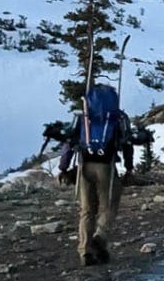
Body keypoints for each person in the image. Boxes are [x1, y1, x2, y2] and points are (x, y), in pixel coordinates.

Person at [57, 86, 133, 268]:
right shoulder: (119, 117)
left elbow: (69, 142)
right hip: (107, 167)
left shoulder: (82, 116)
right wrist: (129, 167)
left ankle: (85, 251)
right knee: (109, 206)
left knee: (86, 210)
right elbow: (127, 143)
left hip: (84, 165)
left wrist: (63, 167)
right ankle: (100, 237)